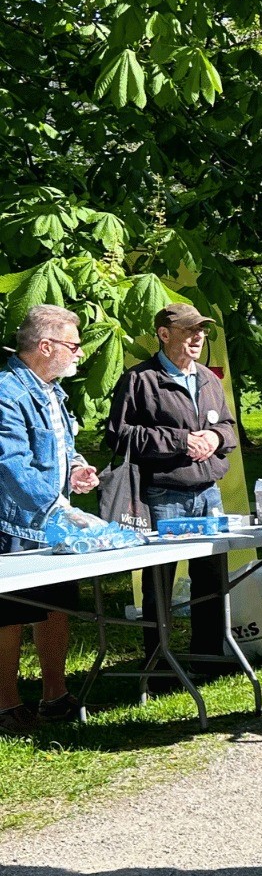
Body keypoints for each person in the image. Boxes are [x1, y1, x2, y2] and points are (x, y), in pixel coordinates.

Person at [106, 302, 239, 667]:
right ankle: (159, 663)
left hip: (208, 493)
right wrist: (181, 441)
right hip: (163, 493)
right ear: (164, 335)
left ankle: (209, 656)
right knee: (160, 585)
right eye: (189, 330)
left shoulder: (208, 379)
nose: (198, 337)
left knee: (211, 580)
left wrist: (214, 438)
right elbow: (119, 436)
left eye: (202, 330)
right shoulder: (139, 380)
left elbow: (228, 427)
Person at [0, 306, 100, 735]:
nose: (79, 354)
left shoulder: (52, 391)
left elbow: (57, 449)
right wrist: (60, 507)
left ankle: (54, 696)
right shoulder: (7, 392)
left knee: (55, 608)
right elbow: (10, 466)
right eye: (74, 346)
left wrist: (74, 470)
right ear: (46, 347)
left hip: (48, 524)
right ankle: (6, 706)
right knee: (9, 617)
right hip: (12, 527)